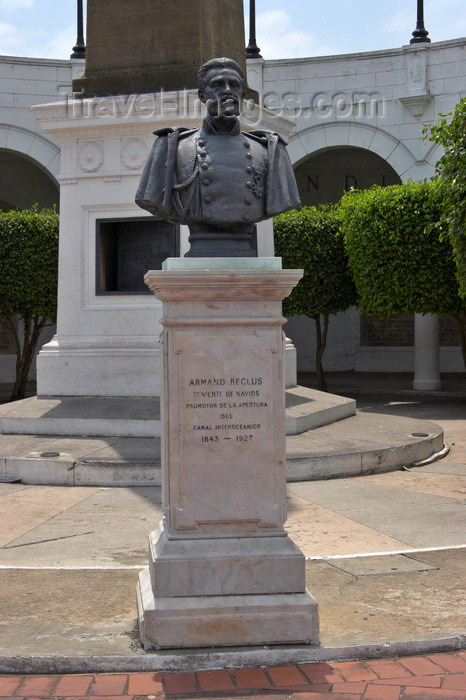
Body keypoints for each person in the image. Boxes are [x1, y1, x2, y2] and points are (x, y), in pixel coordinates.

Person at [136, 57, 300, 257]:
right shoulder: (171, 147)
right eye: (217, 85)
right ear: (202, 95)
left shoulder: (270, 151)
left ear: (242, 94)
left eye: (234, 85)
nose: (227, 90)